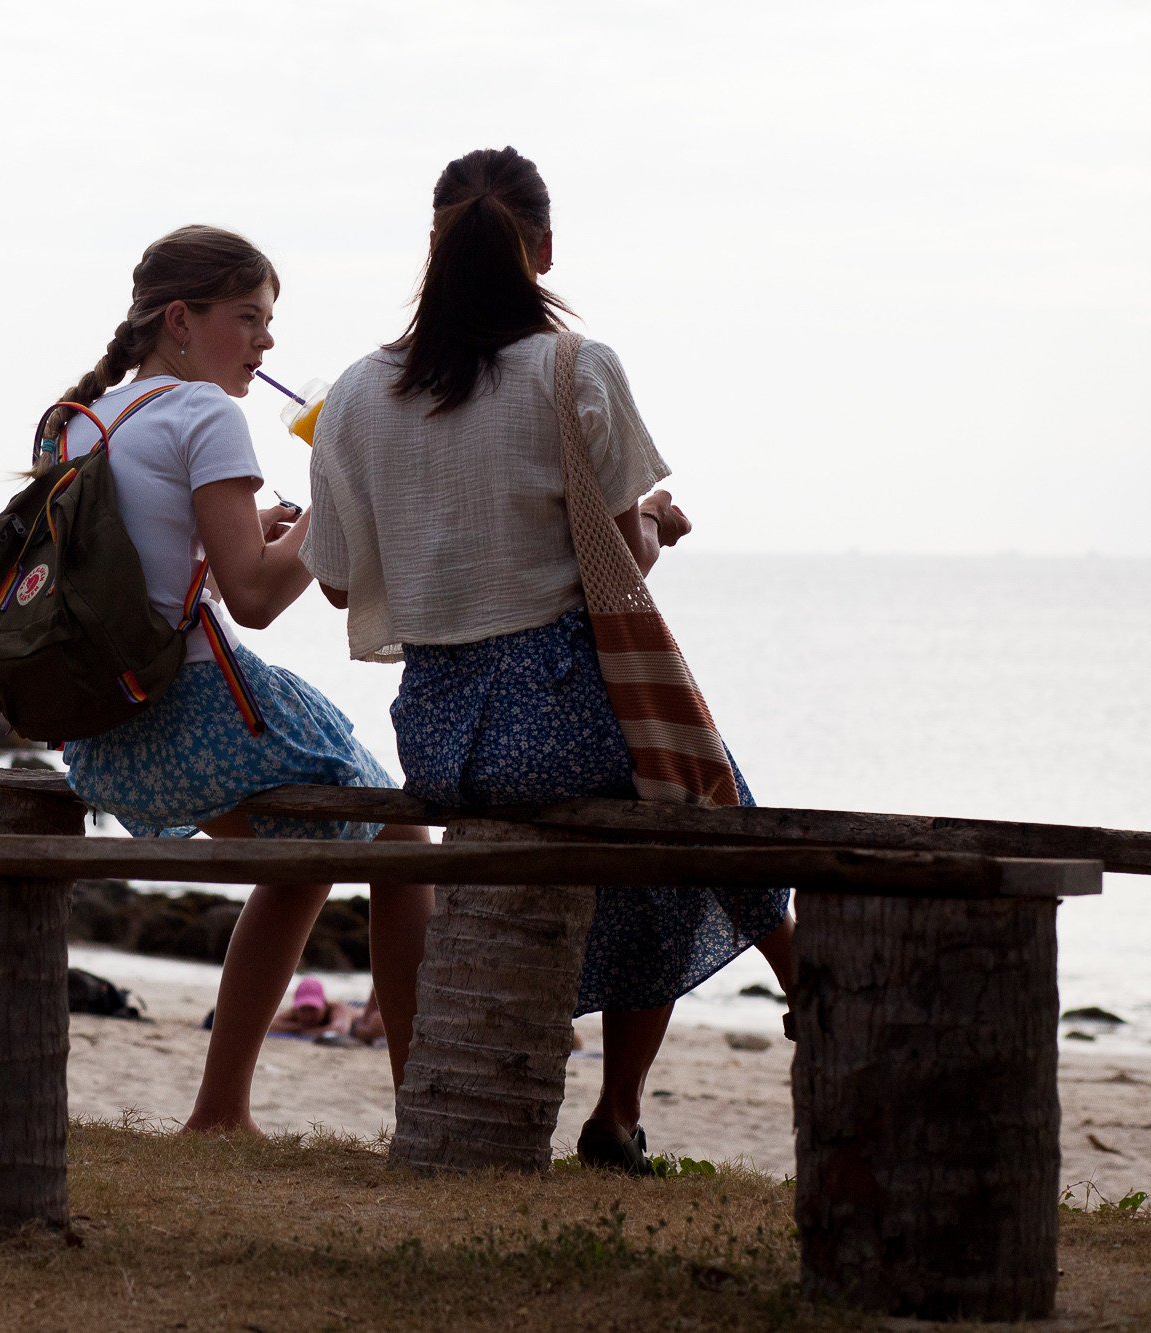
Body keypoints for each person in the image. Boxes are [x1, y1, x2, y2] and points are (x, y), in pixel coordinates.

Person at [300, 149, 796, 1174]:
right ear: (545, 249)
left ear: (431, 248)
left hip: (438, 736)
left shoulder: (352, 394)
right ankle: (803, 994)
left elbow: (342, 588)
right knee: (697, 794)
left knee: (662, 828)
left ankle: (628, 1112)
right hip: (560, 714)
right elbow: (616, 558)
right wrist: (655, 520)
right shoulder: (573, 367)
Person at [43, 225, 435, 1135]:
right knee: (405, 830)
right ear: (181, 320)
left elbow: (176, 573)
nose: (266, 344)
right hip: (192, 717)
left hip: (104, 736)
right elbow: (252, 601)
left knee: (305, 859)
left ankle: (221, 1111)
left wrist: (269, 528)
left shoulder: (80, 419)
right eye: (250, 319)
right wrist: (335, 497)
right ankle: (425, 1113)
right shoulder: (208, 416)